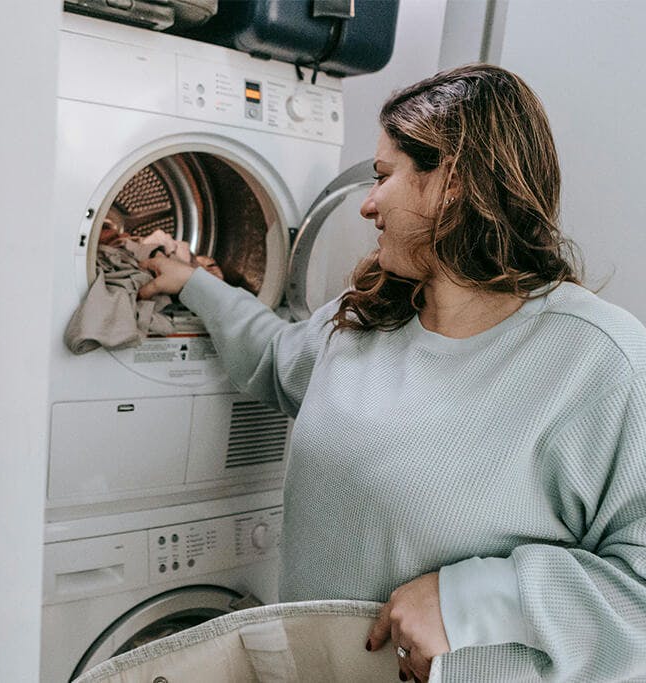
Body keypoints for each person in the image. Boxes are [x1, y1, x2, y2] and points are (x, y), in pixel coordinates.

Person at [138, 64, 646, 682]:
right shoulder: (372, 315)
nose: (369, 205)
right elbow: (275, 360)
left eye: (383, 177)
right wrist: (195, 283)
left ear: (453, 181)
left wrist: (472, 600)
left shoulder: (596, 359)